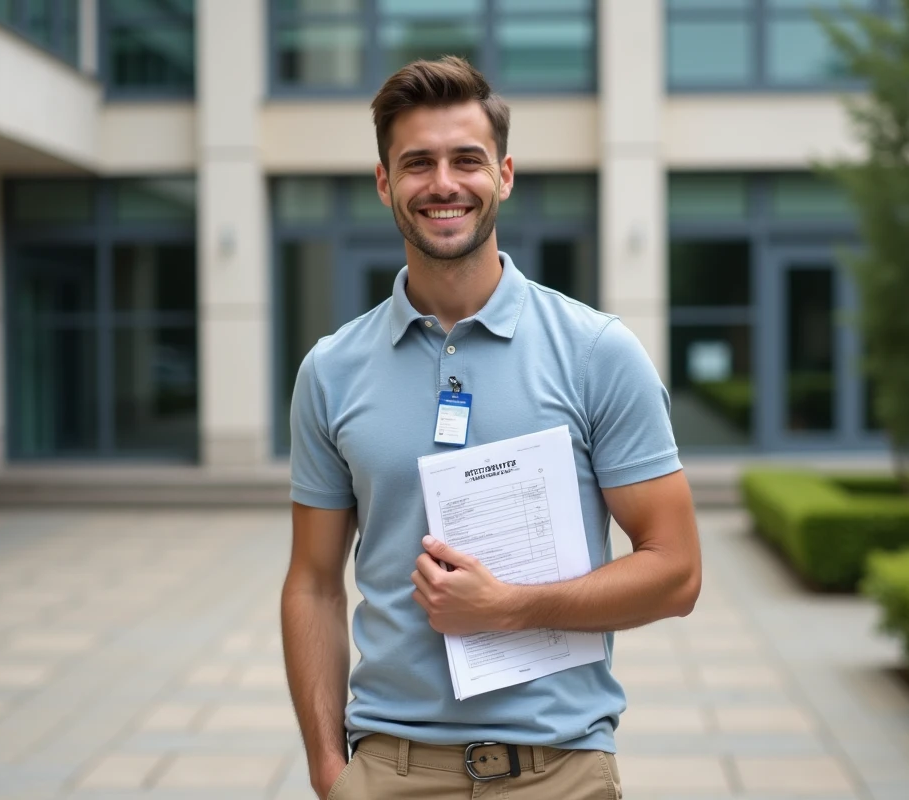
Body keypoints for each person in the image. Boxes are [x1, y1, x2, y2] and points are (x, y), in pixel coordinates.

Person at [282, 56, 702, 800]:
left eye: (466, 160)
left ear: (504, 175)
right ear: (385, 183)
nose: (443, 184)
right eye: (417, 163)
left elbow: (676, 571)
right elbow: (314, 584)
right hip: (390, 770)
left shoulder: (597, 352)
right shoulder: (331, 369)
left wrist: (512, 608)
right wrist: (327, 770)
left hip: (560, 770)